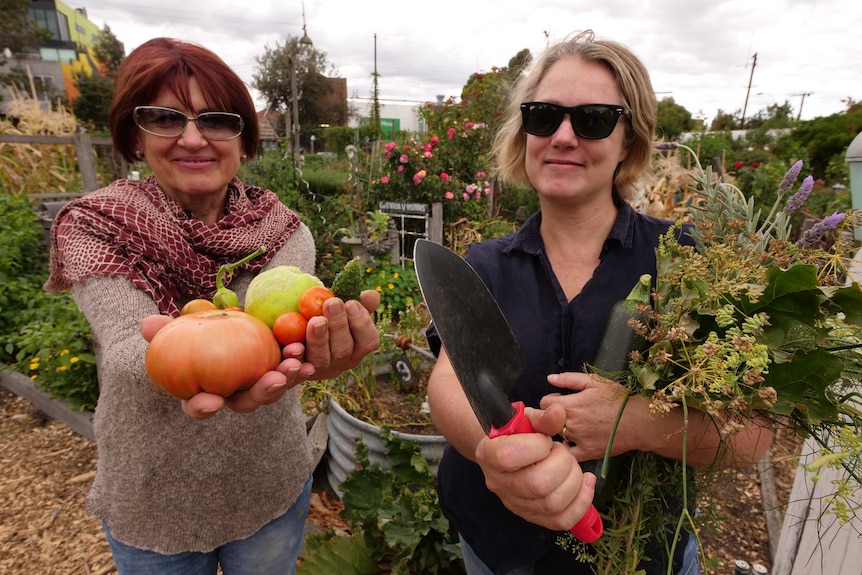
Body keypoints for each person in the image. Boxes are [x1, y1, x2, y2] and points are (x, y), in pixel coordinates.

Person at [426, 30, 773, 575]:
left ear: (629, 142)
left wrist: (636, 424)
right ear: (525, 133)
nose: (563, 136)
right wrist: (496, 453)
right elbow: (451, 380)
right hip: (498, 548)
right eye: (543, 116)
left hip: (639, 553)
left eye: (592, 119)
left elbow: (752, 434)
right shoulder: (487, 263)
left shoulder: (690, 264)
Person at [44, 37, 380, 575]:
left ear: (243, 140)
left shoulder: (284, 231)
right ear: (135, 134)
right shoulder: (94, 226)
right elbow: (132, 347)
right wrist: (227, 354)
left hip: (267, 479)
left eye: (217, 120)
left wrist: (313, 351)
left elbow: (283, 335)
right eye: (166, 118)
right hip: (152, 495)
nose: (194, 139)